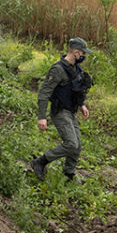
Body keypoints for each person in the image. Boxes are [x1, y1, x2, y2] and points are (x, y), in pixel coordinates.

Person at [31, 37, 94, 182]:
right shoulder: (58, 69)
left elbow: (76, 89)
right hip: (60, 112)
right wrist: (42, 117)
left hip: (72, 112)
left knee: (77, 147)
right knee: (71, 144)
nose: (84, 57)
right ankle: (40, 162)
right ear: (76, 52)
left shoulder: (76, 69)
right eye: (83, 54)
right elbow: (44, 93)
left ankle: (68, 174)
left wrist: (82, 105)